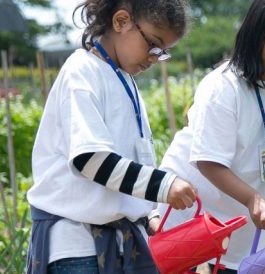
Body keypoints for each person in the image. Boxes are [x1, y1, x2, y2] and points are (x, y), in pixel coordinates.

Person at [25, 0, 198, 273]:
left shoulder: (124, 81)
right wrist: (163, 185)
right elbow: (91, 159)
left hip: (117, 241)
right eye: (153, 44)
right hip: (78, 246)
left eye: (163, 52)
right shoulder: (82, 72)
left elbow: (134, 159)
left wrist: (148, 213)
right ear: (121, 21)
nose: (154, 58)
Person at [150, 0, 265, 272]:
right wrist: (253, 197)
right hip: (192, 212)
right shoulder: (223, 86)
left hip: (236, 213)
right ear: (254, 38)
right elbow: (207, 161)